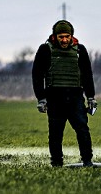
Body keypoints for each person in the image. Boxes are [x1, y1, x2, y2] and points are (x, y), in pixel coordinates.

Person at [31, 20, 96, 167]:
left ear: (72, 36)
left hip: (75, 96)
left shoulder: (80, 50)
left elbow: (87, 75)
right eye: (61, 37)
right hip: (54, 96)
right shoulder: (45, 49)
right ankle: (56, 162)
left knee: (82, 129)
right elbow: (37, 75)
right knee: (55, 132)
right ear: (55, 36)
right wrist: (41, 98)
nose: (64, 40)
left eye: (67, 36)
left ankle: (87, 161)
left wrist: (91, 97)